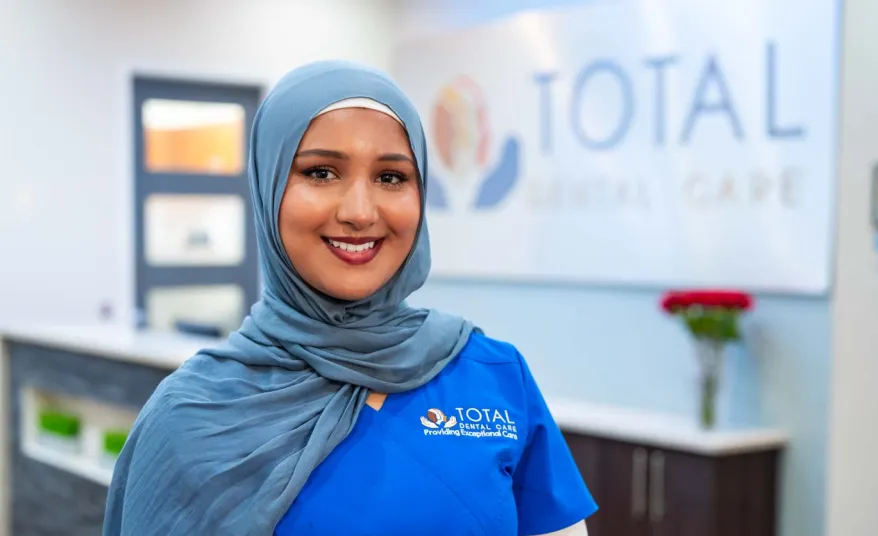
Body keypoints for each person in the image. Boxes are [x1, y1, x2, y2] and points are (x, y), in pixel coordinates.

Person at [103, 60, 596, 536]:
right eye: (321, 172)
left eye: (391, 177)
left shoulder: (494, 377)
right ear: (268, 187)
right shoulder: (190, 415)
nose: (360, 212)